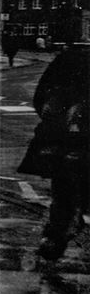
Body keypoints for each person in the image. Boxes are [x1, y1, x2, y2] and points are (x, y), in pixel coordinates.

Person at [17, 46, 88, 260]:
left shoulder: (69, 58)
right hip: (74, 142)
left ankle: (55, 238)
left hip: (64, 142)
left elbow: (41, 99)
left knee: (64, 193)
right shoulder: (73, 58)